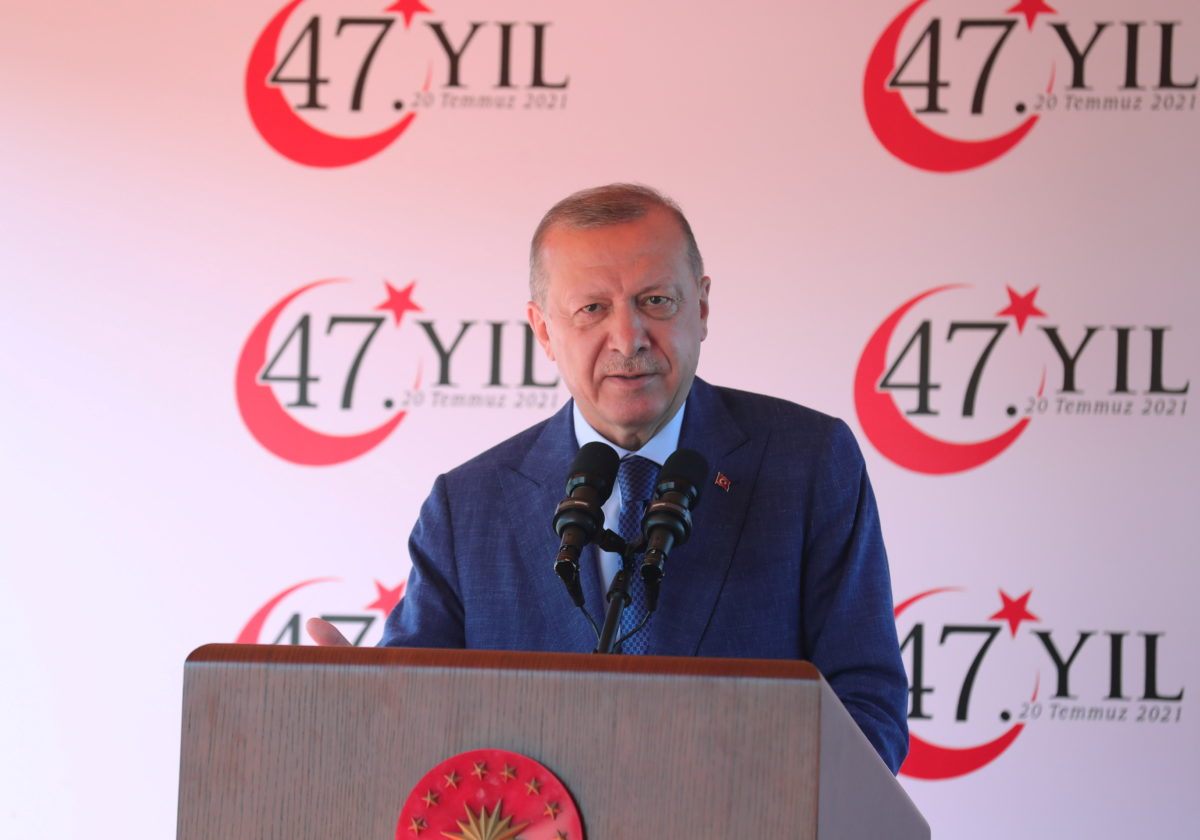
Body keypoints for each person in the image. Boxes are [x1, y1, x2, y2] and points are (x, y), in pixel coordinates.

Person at [309, 184, 910, 773]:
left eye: (656, 301)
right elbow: (419, 722)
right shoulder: (467, 507)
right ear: (544, 330)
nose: (628, 338)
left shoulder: (809, 462)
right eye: (592, 309)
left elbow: (867, 706)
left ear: (701, 307)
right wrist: (369, 715)